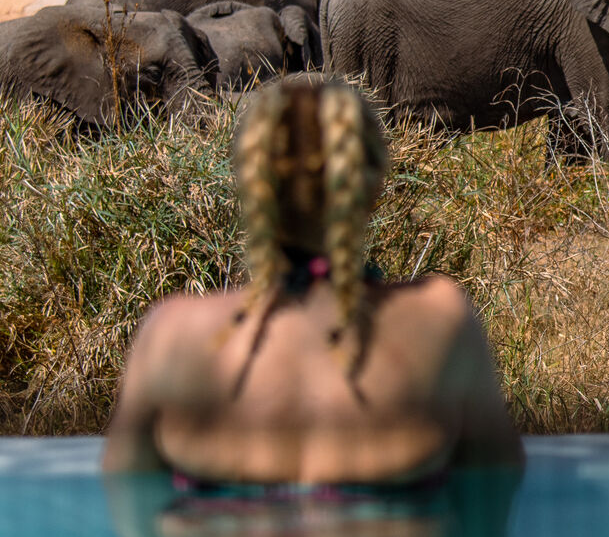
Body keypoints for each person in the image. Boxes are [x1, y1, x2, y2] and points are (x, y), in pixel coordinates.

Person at [103, 77, 522, 483]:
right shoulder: (441, 320)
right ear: (373, 185)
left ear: (248, 187)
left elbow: (126, 502)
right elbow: (494, 491)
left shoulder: (173, 335)